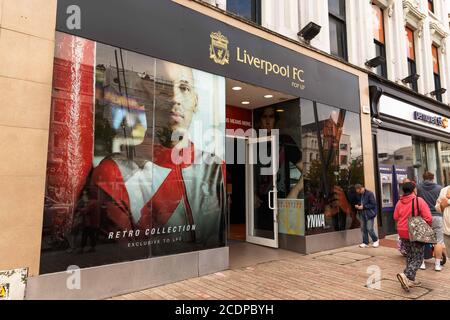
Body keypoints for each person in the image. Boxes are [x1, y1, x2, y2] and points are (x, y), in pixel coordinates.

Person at [92, 60, 225, 253]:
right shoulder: (113, 173)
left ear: (195, 101)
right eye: (162, 88)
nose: (174, 98)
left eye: (184, 88)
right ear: (142, 98)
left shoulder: (216, 168)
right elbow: (124, 259)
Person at [395, 182, 432, 292]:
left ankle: (410, 279)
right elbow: (428, 218)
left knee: (410, 256)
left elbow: (395, 216)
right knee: (418, 258)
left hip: (402, 232)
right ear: (414, 190)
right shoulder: (418, 200)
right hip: (414, 231)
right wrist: (426, 227)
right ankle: (406, 275)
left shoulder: (399, 202)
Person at [417, 172, 444, 271]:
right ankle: (437, 265)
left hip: (423, 216)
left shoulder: (418, 187)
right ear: (433, 178)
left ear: (423, 178)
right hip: (437, 216)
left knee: (422, 240)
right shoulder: (439, 188)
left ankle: (422, 263)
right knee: (439, 241)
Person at [355, 184, 379, 248]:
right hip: (362, 214)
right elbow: (360, 203)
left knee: (369, 228)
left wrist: (363, 207)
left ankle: (375, 240)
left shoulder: (369, 194)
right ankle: (365, 242)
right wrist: (358, 205)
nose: (359, 192)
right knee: (363, 229)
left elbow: (373, 204)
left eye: (359, 191)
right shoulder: (359, 195)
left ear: (362, 188)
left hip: (369, 214)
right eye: (358, 191)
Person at [435, 185, 450, 260]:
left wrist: (447, 201)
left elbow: (446, 202)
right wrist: (441, 205)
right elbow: (437, 207)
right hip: (447, 230)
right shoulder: (444, 190)